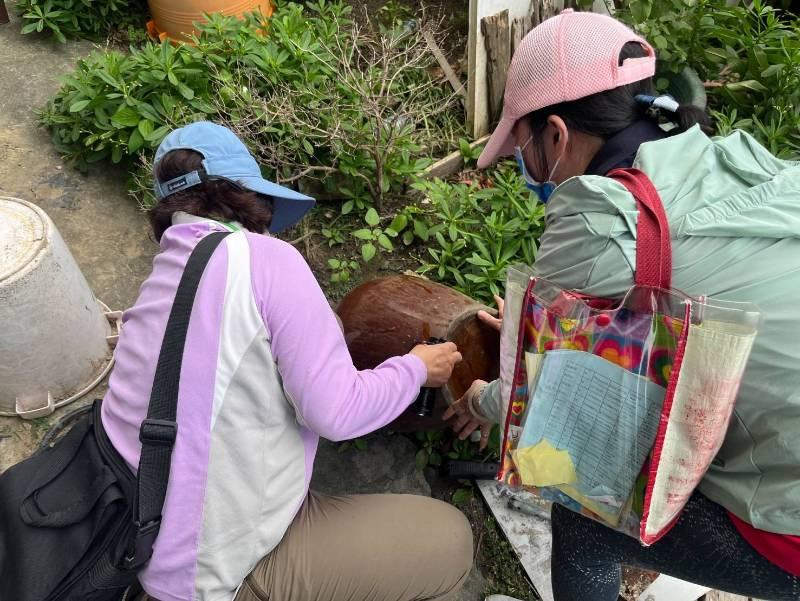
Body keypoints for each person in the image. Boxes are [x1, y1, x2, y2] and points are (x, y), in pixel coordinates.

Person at [444, 9, 800, 601]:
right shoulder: (742, 161)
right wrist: (552, 330)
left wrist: (481, 398)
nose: (525, 168)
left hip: (790, 535)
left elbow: (535, 399)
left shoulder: (599, 219)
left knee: (582, 517)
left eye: (523, 149)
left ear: (556, 134)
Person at [101, 121, 473, 601]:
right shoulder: (266, 258)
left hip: (141, 543)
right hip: (216, 575)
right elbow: (336, 413)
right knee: (449, 540)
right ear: (243, 196)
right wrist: (417, 368)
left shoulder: (158, 282)